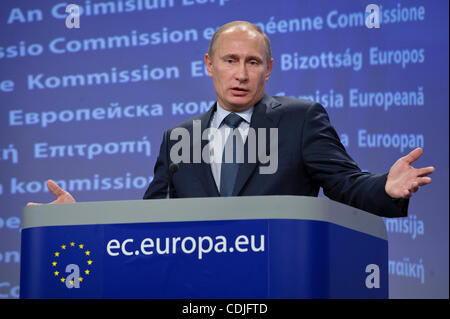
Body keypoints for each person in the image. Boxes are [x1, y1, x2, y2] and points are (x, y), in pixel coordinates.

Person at [27, 21, 435, 218]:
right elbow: (150, 220)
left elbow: (345, 183)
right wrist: (75, 220)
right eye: (230, 60)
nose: (241, 74)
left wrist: (386, 186)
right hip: (199, 290)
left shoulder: (301, 119)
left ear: (269, 69)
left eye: (253, 62)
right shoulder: (178, 137)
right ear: (209, 65)